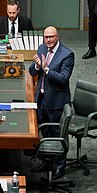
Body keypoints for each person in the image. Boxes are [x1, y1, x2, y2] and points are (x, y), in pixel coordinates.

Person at [29, 26, 74, 175]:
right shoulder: (42, 48)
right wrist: (37, 65)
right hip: (41, 99)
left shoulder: (67, 55)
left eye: (51, 37)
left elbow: (63, 79)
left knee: (58, 135)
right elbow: (32, 70)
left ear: (57, 37)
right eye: (46, 37)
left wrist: (47, 69)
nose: (48, 40)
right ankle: (47, 162)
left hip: (57, 102)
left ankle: (60, 167)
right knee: (45, 133)